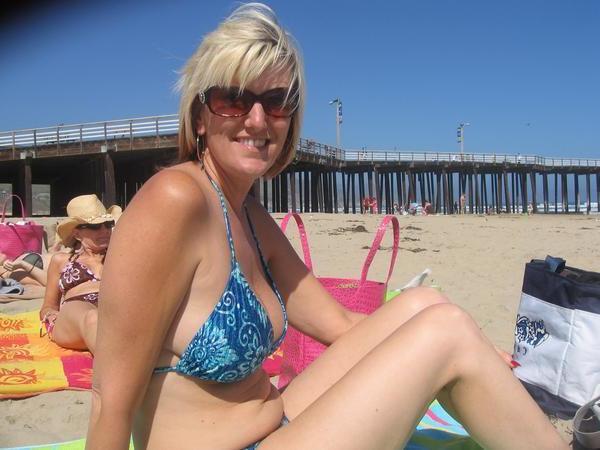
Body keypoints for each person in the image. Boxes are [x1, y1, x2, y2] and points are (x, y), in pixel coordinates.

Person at [87, 4, 567, 450]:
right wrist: (455, 341)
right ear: (199, 117)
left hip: (275, 423)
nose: (258, 119)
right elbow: (109, 398)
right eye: (234, 99)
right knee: (447, 332)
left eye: (276, 101)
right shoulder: (174, 200)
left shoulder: (250, 216)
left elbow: (338, 324)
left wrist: (482, 350)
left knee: (427, 305)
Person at [38, 194, 121, 353]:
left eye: (108, 224)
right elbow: (49, 305)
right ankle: (116, 363)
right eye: (95, 226)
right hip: (76, 315)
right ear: (76, 234)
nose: (104, 230)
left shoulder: (120, 256)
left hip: (114, 311)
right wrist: (50, 314)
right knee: (92, 318)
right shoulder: (61, 260)